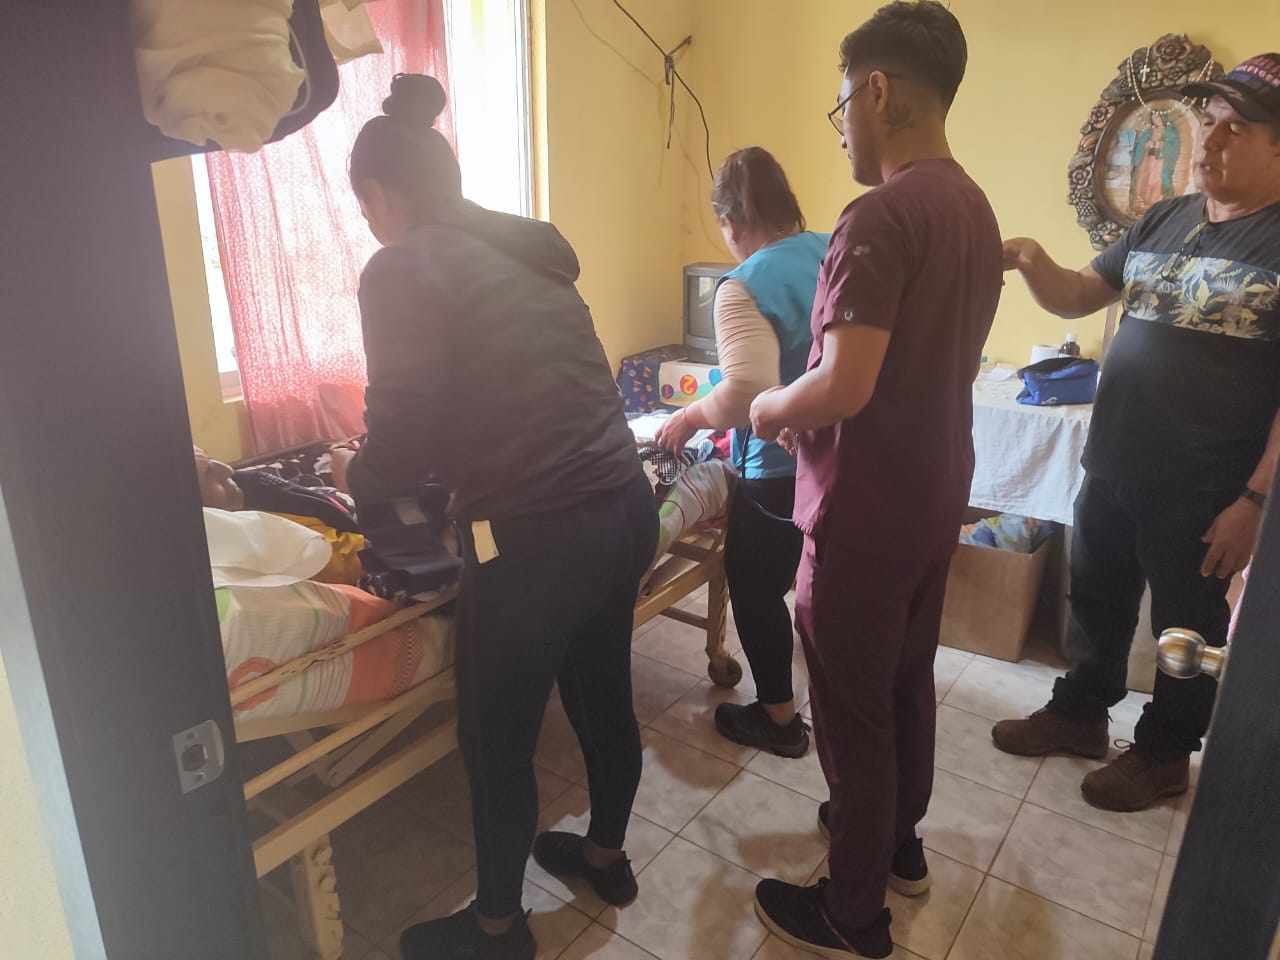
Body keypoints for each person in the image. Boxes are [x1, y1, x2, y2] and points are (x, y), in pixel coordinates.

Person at [344, 74, 658, 960]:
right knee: (604, 693)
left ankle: (495, 929)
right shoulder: (528, 254)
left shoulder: (401, 266)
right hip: (625, 505)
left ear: (380, 194)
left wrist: (358, 472)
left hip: (535, 537)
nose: (368, 224)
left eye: (364, 207)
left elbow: (405, 430)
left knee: (495, 735)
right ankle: (604, 855)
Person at [747, 4, 1002, 956]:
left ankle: (852, 912)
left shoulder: (880, 215)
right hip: (932, 494)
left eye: (842, 105)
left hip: (863, 511)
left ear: (879, 91)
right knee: (903, 682)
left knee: (851, 712)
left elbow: (845, 383)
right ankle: (898, 844)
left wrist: (770, 406)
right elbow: (913, 366)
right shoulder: (972, 207)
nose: (843, 126)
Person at [992, 54, 1280, 813]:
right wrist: (1028, 257)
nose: (1208, 141)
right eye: (1208, 122)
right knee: (1097, 597)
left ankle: (1163, 753)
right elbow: (1078, 296)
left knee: (1189, 628)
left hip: (1207, 485)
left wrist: (1255, 501)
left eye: (1234, 129)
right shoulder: (1164, 218)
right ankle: (1081, 714)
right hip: (1114, 460)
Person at [654, 147, 828, 758]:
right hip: (835, 459)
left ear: (729, 221)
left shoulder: (744, 284)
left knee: (752, 584)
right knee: (814, 584)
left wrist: (687, 416)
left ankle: (779, 718)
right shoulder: (829, 248)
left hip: (779, 468)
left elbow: (744, 392)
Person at [192, 446, 366, 584]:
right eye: (207, 474)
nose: (227, 469)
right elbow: (351, 564)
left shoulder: (255, 487)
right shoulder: (271, 544)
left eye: (210, 458)